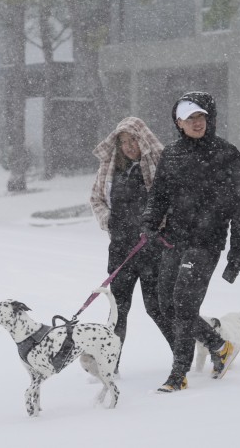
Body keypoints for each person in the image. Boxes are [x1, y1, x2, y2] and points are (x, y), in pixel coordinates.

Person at [140, 91, 240, 392]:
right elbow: (159, 195)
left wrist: (238, 251)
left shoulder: (226, 154)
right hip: (174, 239)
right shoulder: (172, 154)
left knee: (184, 304)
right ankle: (220, 346)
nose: (197, 123)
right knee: (165, 304)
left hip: (207, 242)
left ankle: (179, 374)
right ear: (178, 122)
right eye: (191, 118)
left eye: (201, 117)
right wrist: (149, 223)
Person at [90, 116, 174, 373]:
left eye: (132, 140)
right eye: (123, 142)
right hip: (120, 251)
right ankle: (110, 365)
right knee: (118, 311)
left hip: (152, 251)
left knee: (157, 308)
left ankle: (184, 353)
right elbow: (96, 199)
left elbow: (170, 203)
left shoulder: (157, 167)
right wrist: (109, 221)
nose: (128, 146)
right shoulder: (111, 170)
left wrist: (158, 227)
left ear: (143, 139)